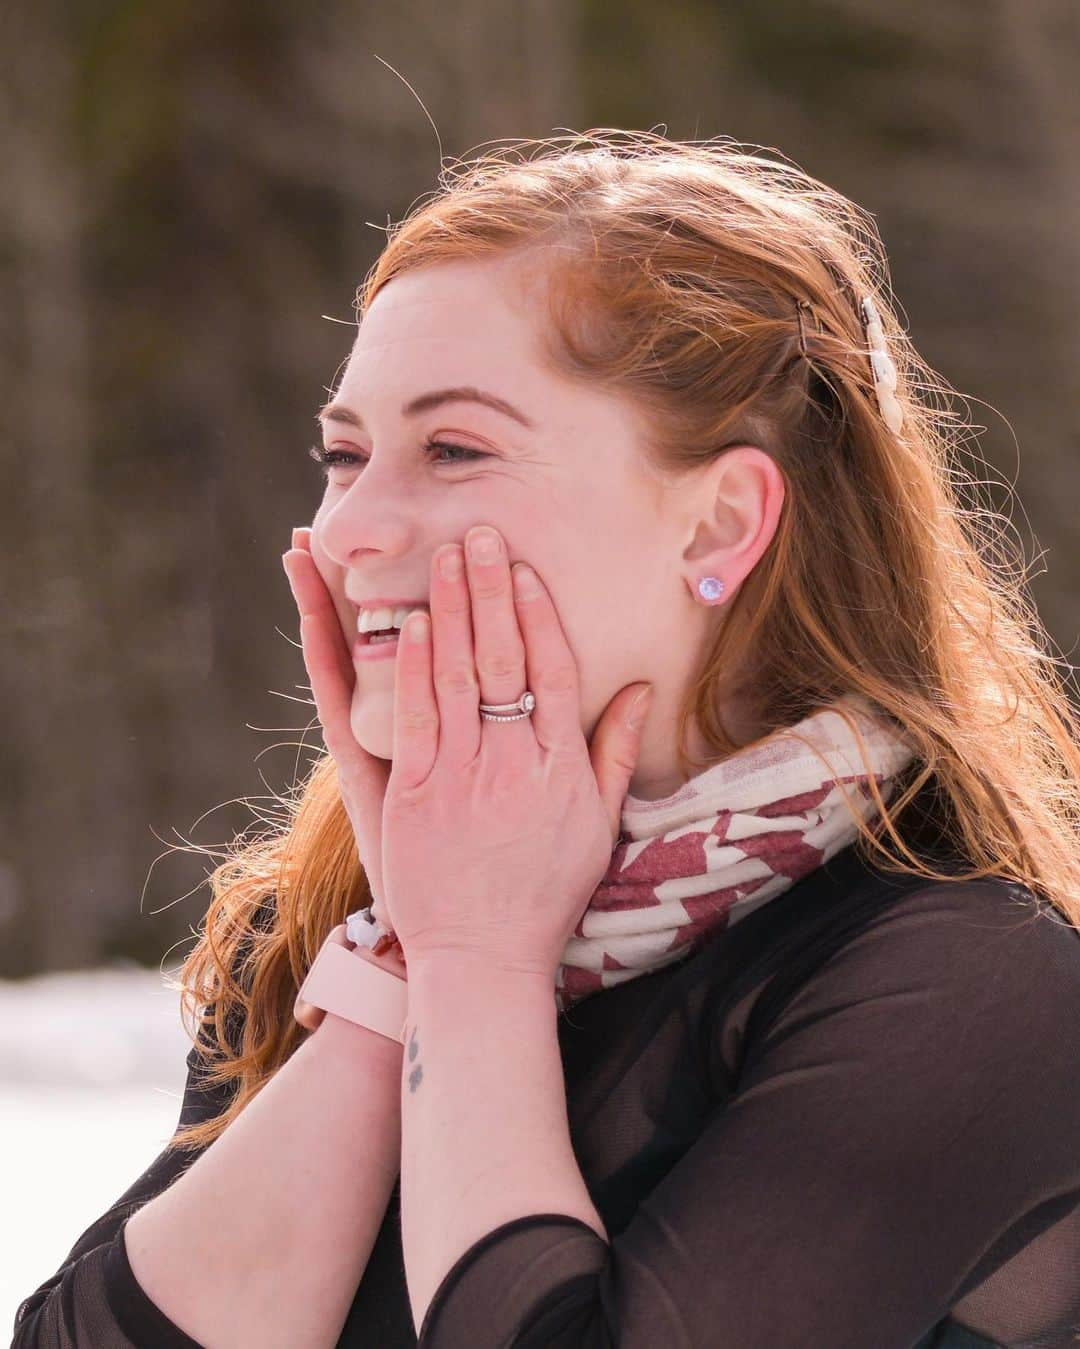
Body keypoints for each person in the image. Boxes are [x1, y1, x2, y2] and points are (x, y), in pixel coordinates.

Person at [13, 130, 1080, 1348]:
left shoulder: (965, 984)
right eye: (344, 453)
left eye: (452, 448)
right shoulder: (323, 929)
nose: (347, 526)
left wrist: (476, 960)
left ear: (719, 523)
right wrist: (405, 949)